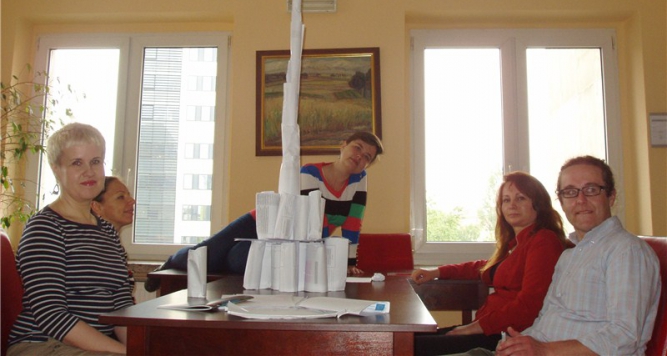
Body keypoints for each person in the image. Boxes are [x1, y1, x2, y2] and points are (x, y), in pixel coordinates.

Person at [457, 155, 662, 356]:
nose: (580, 200)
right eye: (570, 192)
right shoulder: (569, 256)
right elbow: (544, 321)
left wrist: (543, 350)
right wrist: (514, 345)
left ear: (611, 196)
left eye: (591, 190)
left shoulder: (626, 251)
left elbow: (625, 336)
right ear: (562, 202)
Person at [144, 130, 384, 292]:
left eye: (367, 157)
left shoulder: (359, 180)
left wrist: (349, 263)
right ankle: (169, 263)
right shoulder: (310, 172)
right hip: (261, 222)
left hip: (283, 241)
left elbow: (353, 224)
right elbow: (312, 221)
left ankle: (223, 258)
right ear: (343, 146)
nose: (359, 157)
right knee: (205, 255)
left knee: (237, 262)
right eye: (357, 147)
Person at [8, 123, 134, 356]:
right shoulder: (44, 228)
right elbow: (51, 315)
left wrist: (140, 348)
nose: (89, 171)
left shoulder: (107, 232)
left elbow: (121, 308)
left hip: (94, 348)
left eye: (95, 161)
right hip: (42, 344)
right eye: (77, 163)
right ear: (56, 169)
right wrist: (127, 353)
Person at [412, 172, 570, 355]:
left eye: (520, 198)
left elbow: (530, 305)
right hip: (489, 329)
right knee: (406, 340)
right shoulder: (517, 245)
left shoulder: (544, 241)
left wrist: (472, 327)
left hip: (507, 336)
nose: (512, 205)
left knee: (410, 346)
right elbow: (486, 268)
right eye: (506, 200)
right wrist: (437, 272)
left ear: (538, 204)